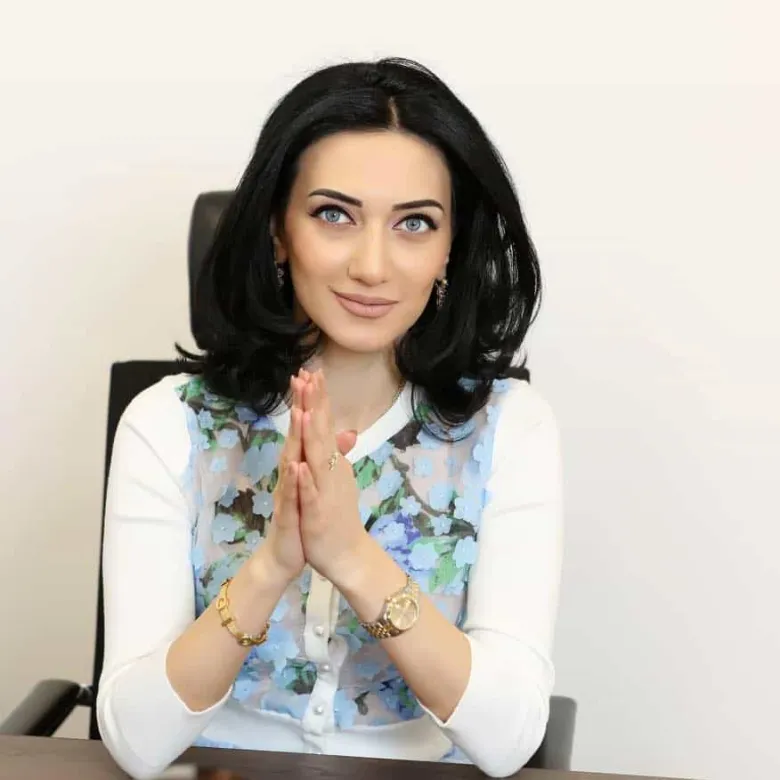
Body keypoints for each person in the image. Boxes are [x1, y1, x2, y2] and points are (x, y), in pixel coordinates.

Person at [97, 57, 563, 780]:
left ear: (449, 251)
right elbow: (136, 742)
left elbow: (509, 742)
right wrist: (270, 567)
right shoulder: (165, 424)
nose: (372, 266)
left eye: (415, 223)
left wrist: (352, 557)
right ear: (278, 231)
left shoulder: (512, 430)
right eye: (334, 215)